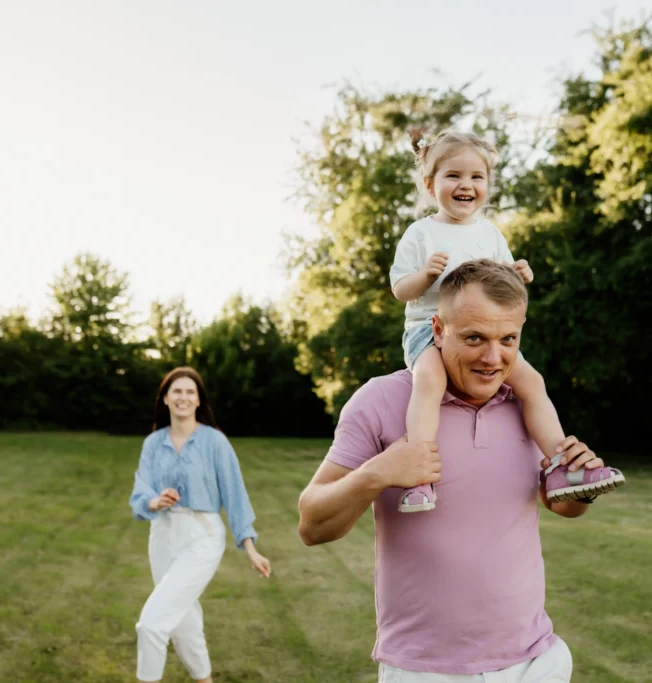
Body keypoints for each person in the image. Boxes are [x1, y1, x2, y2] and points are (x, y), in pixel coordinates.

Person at [298, 259, 625, 682]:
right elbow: (312, 525)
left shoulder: (528, 405)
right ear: (437, 330)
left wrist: (580, 487)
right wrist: (377, 472)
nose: (493, 358)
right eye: (474, 338)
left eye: (508, 339)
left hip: (534, 661)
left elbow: (559, 506)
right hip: (425, 670)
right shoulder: (380, 401)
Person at [389, 128, 611, 513]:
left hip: (485, 333)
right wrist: (425, 277)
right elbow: (399, 289)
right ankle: (419, 474)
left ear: (488, 184)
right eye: (453, 176)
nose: (466, 185)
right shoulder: (420, 233)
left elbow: (502, 284)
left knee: (532, 381)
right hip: (429, 329)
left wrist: (518, 272)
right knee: (429, 381)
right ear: (430, 184)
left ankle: (562, 467)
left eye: (477, 177)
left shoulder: (489, 233)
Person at [129, 366, 271, 683]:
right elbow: (141, 492)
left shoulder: (214, 441)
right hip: (162, 536)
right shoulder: (153, 443)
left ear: (198, 400)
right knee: (184, 620)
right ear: (165, 398)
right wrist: (154, 501)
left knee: (152, 624)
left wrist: (250, 547)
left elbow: (235, 494)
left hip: (202, 537)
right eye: (176, 391)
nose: (183, 397)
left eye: (190, 392)